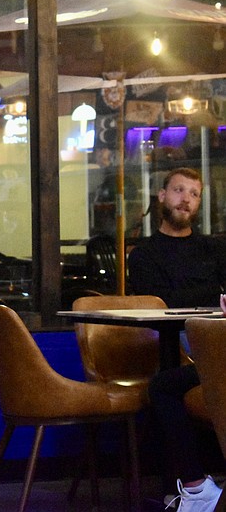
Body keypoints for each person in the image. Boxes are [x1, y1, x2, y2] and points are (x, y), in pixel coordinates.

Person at [127, 167, 226, 511]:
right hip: (180, 342)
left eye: (194, 194)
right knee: (167, 382)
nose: (186, 199)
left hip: (215, 346)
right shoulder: (144, 254)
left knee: (165, 386)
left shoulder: (215, 248)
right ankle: (192, 488)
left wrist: (187, 296)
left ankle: (195, 490)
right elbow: (160, 303)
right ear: (162, 196)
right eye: (179, 190)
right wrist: (211, 291)